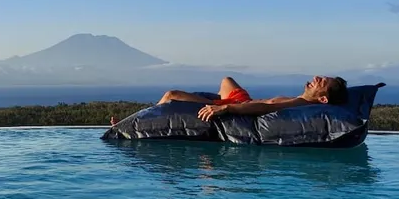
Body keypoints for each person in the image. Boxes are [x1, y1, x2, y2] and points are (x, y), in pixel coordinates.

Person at [109, 75, 349, 125]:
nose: (316, 78)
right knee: (227, 80)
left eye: (321, 82)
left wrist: (226, 108)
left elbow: (266, 107)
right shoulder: (300, 99)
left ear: (323, 99)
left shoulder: (299, 105)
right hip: (245, 100)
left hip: (237, 106)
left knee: (171, 95)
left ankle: (131, 122)